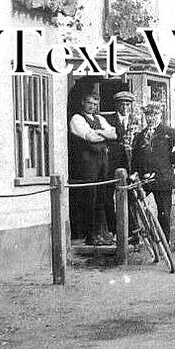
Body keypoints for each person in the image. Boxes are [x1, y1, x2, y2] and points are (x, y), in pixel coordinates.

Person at [131, 101, 175, 240]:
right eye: (148, 115)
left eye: (154, 115)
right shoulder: (140, 136)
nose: (151, 118)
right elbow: (135, 158)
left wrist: (169, 160)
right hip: (145, 179)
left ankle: (165, 242)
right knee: (132, 202)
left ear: (160, 115)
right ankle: (138, 238)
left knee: (163, 212)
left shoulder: (168, 132)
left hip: (162, 178)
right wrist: (134, 172)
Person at [69, 92, 117, 246]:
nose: (92, 106)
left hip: (102, 161)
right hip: (87, 163)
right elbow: (90, 138)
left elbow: (114, 134)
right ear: (83, 102)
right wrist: (103, 135)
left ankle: (102, 233)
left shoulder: (100, 118)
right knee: (90, 197)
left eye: (95, 104)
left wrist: (100, 132)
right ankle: (90, 235)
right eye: (89, 103)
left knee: (102, 197)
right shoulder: (77, 119)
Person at [103, 90, 140, 173]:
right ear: (116, 105)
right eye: (121, 105)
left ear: (131, 106)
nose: (125, 108)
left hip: (132, 160)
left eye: (127, 105)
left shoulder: (136, 120)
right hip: (114, 160)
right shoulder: (108, 120)